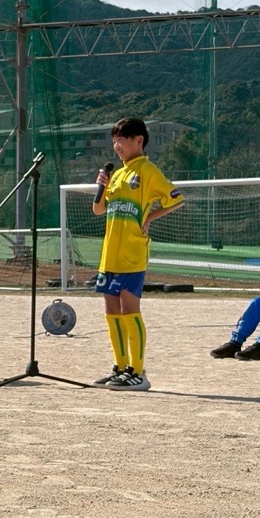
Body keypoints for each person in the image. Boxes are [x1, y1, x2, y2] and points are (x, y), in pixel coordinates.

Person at [91, 118, 184, 390]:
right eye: (114, 141)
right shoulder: (118, 174)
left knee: (130, 309)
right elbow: (98, 210)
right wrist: (101, 187)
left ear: (138, 140)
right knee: (112, 311)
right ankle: (120, 367)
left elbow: (176, 199)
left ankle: (138, 372)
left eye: (121, 139)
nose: (116, 146)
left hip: (132, 253)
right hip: (110, 253)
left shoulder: (147, 170)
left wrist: (150, 217)